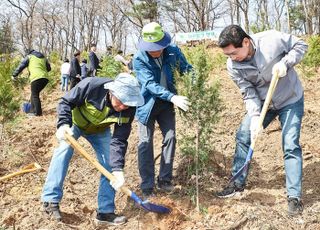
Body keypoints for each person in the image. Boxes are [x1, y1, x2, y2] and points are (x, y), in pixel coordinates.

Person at [215, 25, 308, 216]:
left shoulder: (271, 39)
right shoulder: (233, 66)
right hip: (264, 103)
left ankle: (294, 197)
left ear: (246, 42)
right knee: (244, 134)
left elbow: (301, 45)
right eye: (228, 55)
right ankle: (237, 183)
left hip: (290, 98)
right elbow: (248, 93)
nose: (232, 58)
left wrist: (286, 62)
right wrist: (256, 117)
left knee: (290, 144)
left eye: (234, 53)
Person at [41, 73, 144, 225]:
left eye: (127, 104)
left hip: (99, 131)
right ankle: (50, 201)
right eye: (121, 101)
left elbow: (119, 139)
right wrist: (63, 124)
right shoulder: (91, 86)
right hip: (74, 125)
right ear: (112, 92)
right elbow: (65, 102)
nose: (123, 107)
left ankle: (105, 212)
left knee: (109, 165)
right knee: (63, 151)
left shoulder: (128, 108)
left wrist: (117, 169)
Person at [110, 22, 192, 199]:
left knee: (170, 138)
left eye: (157, 47)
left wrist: (195, 82)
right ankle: (147, 185)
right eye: (150, 48)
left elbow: (186, 69)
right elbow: (149, 84)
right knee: (145, 143)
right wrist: (172, 96)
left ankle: (165, 180)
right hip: (146, 103)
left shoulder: (173, 51)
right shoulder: (139, 58)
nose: (154, 51)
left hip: (166, 105)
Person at [12, 49, 51, 116]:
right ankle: (32, 110)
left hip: (36, 77)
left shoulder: (29, 56)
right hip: (45, 78)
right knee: (34, 93)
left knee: (35, 95)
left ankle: (37, 113)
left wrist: (14, 75)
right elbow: (49, 69)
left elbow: (21, 65)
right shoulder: (43, 58)